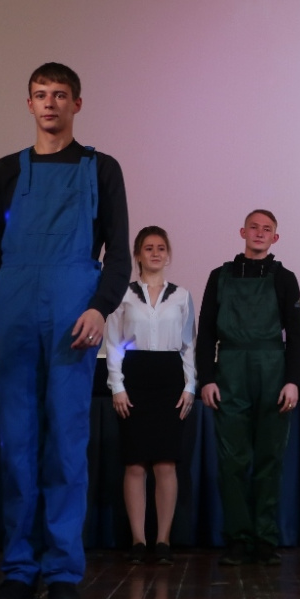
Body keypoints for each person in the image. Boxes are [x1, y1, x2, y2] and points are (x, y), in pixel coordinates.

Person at [0, 63, 130, 599]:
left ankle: (62, 571)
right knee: (16, 445)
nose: (50, 103)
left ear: (76, 104)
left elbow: (119, 253)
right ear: (29, 103)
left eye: (60, 95)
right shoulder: (4, 171)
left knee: (65, 442)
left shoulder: (102, 168)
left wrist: (99, 308)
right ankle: (19, 569)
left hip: (72, 309)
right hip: (13, 305)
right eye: (41, 94)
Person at [196, 209, 300, 566]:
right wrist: (207, 378)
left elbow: (296, 335)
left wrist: (292, 381)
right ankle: (238, 540)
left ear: (275, 237)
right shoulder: (219, 277)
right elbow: (206, 332)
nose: (259, 233)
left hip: (272, 371)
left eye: (266, 229)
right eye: (254, 227)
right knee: (232, 461)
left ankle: (264, 540)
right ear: (242, 232)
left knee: (270, 459)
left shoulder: (284, 278)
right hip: (229, 371)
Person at [105, 226, 196, 565]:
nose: (155, 253)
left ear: (168, 254)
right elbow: (113, 343)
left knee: (165, 463)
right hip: (135, 377)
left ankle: (163, 540)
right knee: (135, 463)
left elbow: (189, 345)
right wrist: (117, 386)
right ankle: (138, 541)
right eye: (148, 248)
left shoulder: (182, 296)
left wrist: (190, 386)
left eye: (161, 248)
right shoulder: (123, 295)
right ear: (138, 255)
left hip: (170, 379)